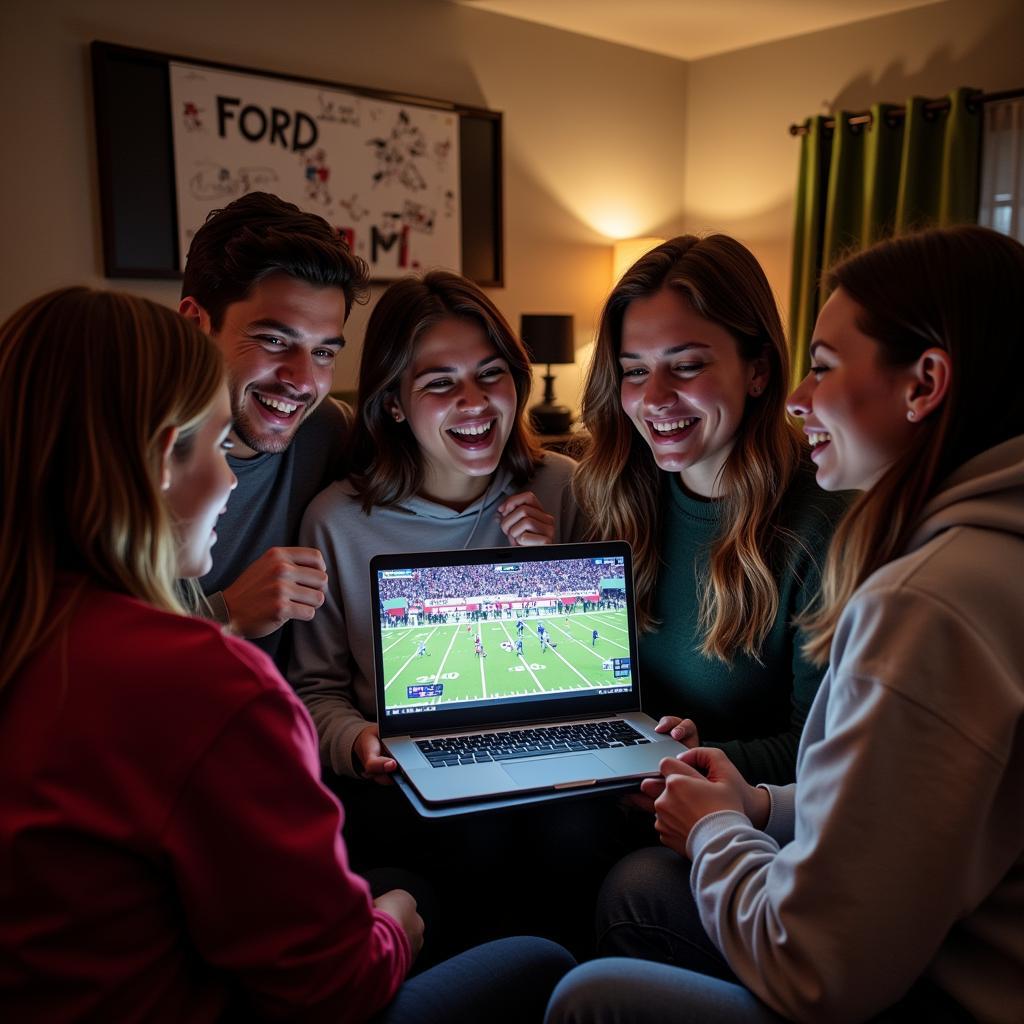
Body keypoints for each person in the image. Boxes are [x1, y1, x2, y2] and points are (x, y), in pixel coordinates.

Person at [0, 287, 575, 1023]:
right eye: (215, 444)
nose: (233, 479)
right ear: (154, 462)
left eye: (325, 351)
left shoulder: (35, 634)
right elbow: (333, 985)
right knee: (532, 956)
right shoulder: (215, 681)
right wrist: (395, 920)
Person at [545, 226, 1024, 1024]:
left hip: (901, 972)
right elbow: (883, 790)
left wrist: (718, 813)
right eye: (633, 372)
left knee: (596, 967)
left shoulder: (917, 590)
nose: (805, 400)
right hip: (751, 818)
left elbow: (823, 955)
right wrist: (750, 804)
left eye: (825, 368)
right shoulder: (614, 489)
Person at [573, 235, 848, 785]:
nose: (654, 398)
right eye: (634, 371)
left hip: (738, 808)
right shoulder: (611, 489)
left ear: (758, 371)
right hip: (617, 782)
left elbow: (824, 749)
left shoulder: (823, 523)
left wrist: (708, 762)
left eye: (688, 365)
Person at [290, 270, 578, 784]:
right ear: (395, 403)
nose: (474, 401)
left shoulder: (565, 487)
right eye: (440, 382)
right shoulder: (334, 522)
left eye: (491, 373)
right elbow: (316, 692)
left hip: (553, 763)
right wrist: (357, 740)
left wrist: (547, 573)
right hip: (410, 779)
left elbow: (598, 674)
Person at [180, 191, 365, 671]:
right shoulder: (117, 453)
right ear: (194, 325)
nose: (303, 380)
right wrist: (226, 615)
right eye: (275, 341)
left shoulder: (328, 433)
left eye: (324, 352)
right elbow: (65, 657)